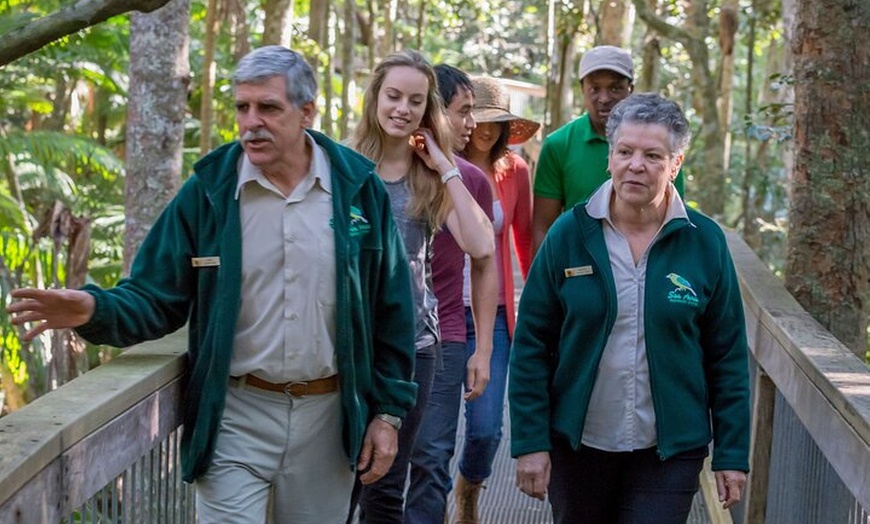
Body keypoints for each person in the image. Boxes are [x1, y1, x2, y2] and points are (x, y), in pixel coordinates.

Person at [6, 46, 418, 524]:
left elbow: (392, 309)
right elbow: (155, 296)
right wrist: (93, 310)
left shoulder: (357, 188)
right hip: (236, 414)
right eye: (242, 107)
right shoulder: (209, 190)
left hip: (328, 418)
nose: (251, 122)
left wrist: (387, 414)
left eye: (268, 107)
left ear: (307, 111)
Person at [510, 93, 750, 524]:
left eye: (652, 155)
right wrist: (530, 441)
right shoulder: (570, 234)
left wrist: (731, 454)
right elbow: (530, 344)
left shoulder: (704, 241)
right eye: (625, 151)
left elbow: (728, 355)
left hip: (669, 448)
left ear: (675, 164)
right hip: (578, 444)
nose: (635, 165)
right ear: (610, 157)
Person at [350, 51, 495, 524]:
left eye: (415, 100)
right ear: (375, 98)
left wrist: (443, 164)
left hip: (416, 349)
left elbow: (479, 244)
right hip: (349, 350)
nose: (402, 109)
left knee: (387, 488)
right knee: (340, 483)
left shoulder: (430, 177)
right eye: (393, 96)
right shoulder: (344, 168)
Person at [405, 64, 499, 524]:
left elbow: (484, 262)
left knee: (431, 460)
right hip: (383, 338)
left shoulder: (470, 180)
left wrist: (483, 348)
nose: (472, 124)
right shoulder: (372, 171)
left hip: (445, 338)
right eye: (463, 112)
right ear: (435, 111)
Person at [450, 75, 539, 524]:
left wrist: (540, 311)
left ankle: (468, 488)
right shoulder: (435, 164)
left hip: (495, 316)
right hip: (442, 314)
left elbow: (525, 242)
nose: (485, 130)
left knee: (486, 429)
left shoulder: (516, 172)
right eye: (477, 119)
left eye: (496, 122)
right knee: (433, 431)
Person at [531, 45, 685, 258]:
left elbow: (675, 219)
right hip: (578, 266)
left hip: (645, 262)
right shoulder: (558, 144)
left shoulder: (662, 148)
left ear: (630, 88)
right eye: (595, 88)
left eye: (614, 88)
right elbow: (542, 225)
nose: (604, 98)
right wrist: (545, 282)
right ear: (582, 88)